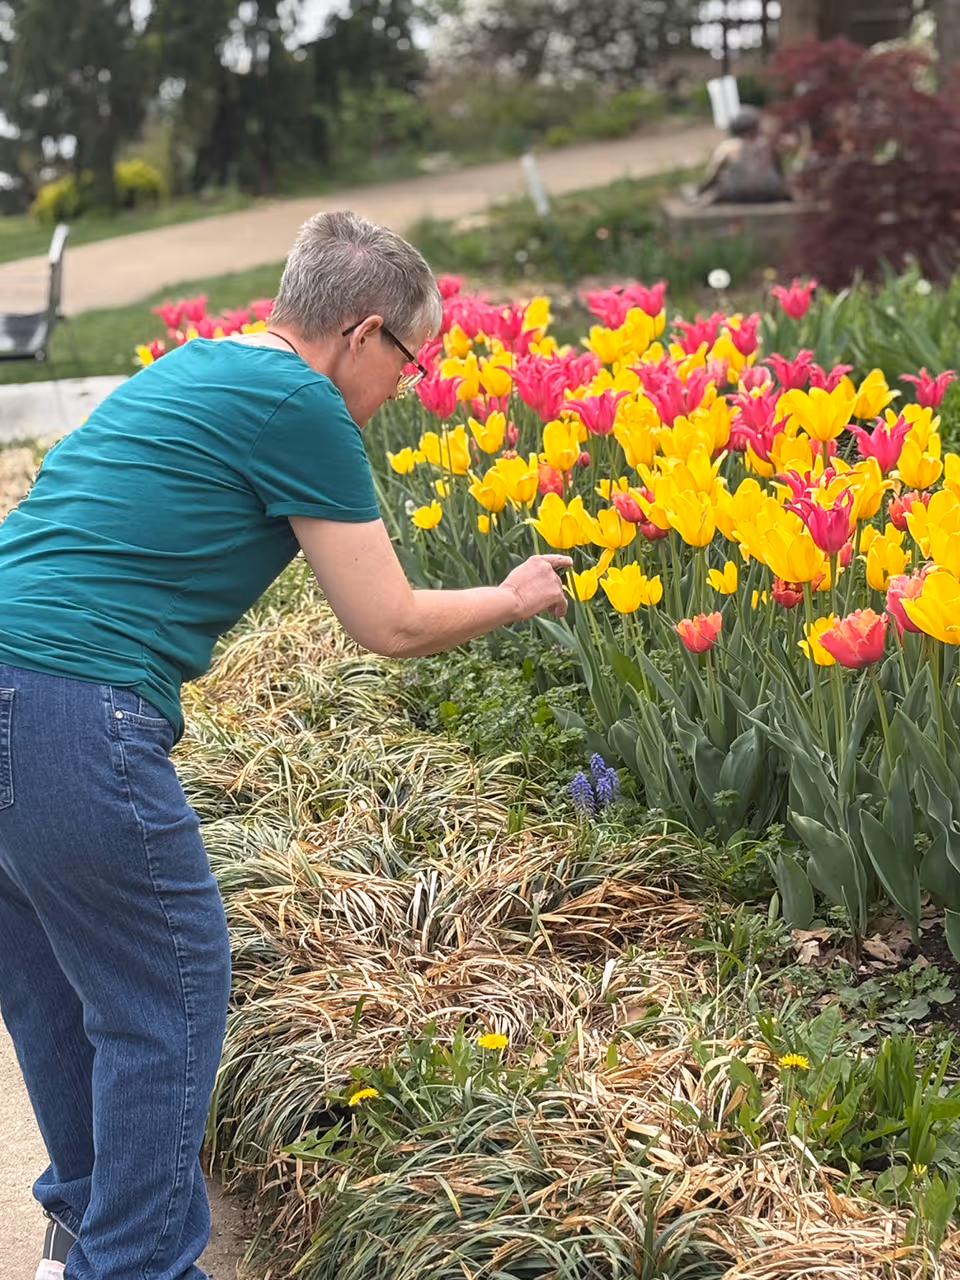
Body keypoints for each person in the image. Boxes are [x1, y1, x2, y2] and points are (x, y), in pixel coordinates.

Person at [0, 210, 571, 1280]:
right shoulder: (302, 402)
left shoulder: (195, 368)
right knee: (168, 985)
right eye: (411, 357)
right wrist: (511, 594)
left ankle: (85, 1228)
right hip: (73, 704)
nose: (407, 384)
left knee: (53, 985)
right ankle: (132, 1266)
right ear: (362, 332)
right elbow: (387, 622)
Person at [688, 105, 789, 205]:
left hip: (737, 194)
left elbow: (714, 176)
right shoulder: (768, 145)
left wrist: (700, 190)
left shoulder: (729, 146)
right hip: (770, 193)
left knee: (715, 193)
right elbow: (779, 173)